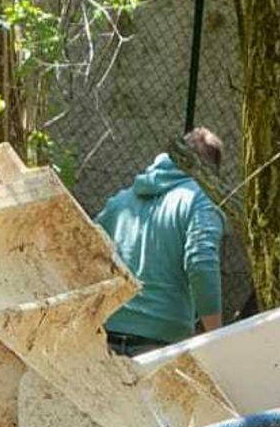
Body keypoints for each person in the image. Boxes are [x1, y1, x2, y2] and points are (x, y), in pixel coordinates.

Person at [95, 129, 225, 355]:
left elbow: (86, 247)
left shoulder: (120, 202)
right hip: (159, 343)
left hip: (106, 337)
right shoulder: (200, 200)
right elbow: (201, 262)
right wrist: (217, 335)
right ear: (211, 170)